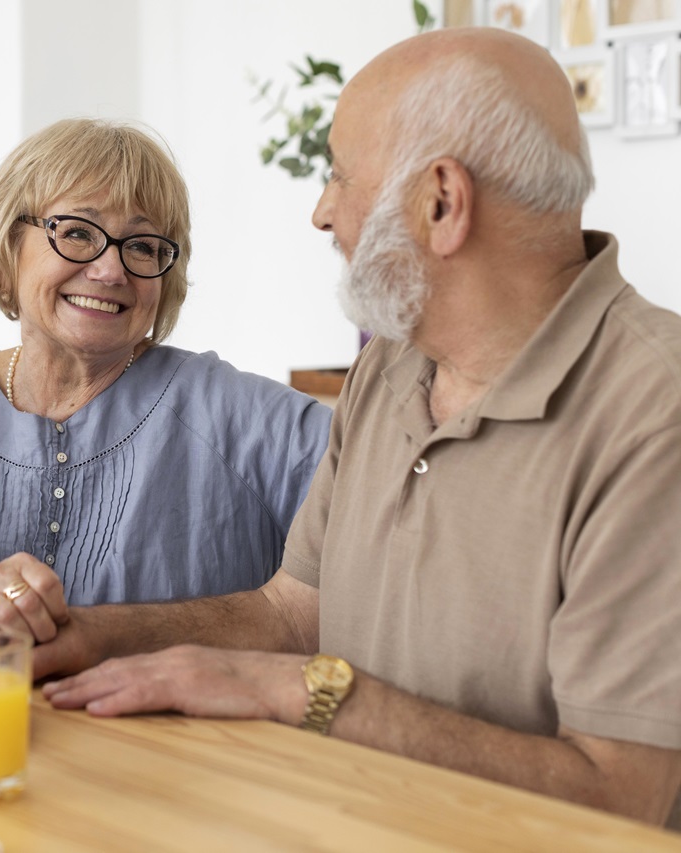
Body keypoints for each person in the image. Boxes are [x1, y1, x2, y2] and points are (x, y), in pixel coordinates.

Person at [39, 29, 681, 828]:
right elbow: (291, 613)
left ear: (441, 201)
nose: (321, 211)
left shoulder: (657, 411)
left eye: (340, 173)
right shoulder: (389, 369)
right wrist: (86, 636)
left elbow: (623, 794)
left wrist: (300, 691)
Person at [0, 118, 331, 644]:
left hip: (179, 729)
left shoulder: (234, 410)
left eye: (141, 246)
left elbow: (388, 489)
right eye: (76, 233)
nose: (111, 270)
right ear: (7, 249)